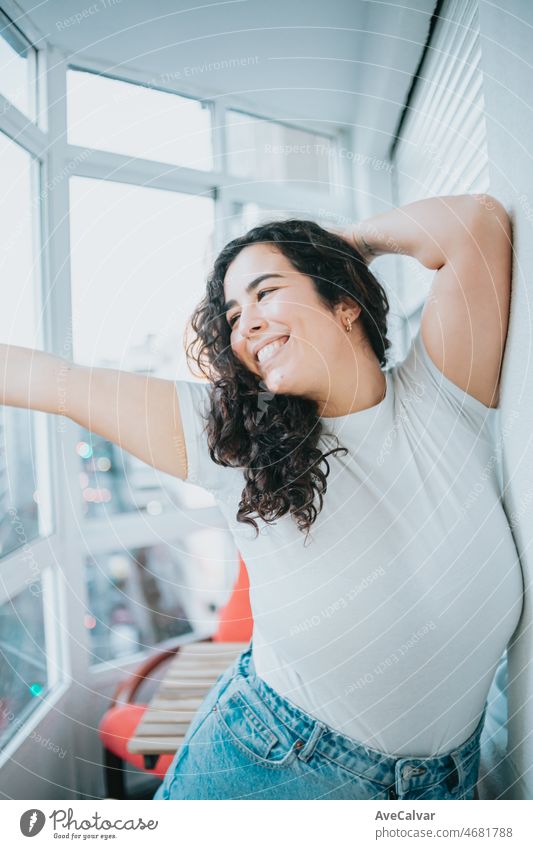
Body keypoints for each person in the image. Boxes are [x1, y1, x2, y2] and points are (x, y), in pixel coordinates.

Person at [0, 194, 523, 800]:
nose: (244, 322)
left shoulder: (443, 394)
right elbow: (55, 382)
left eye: (265, 292)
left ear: (345, 301)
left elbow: (477, 224)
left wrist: (348, 244)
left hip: (440, 788)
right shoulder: (234, 438)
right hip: (268, 769)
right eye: (231, 314)